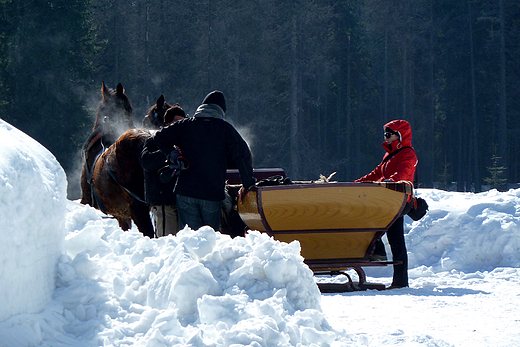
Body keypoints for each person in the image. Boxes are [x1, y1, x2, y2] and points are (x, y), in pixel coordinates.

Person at [152, 90, 255, 231]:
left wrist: (173, 154)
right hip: (212, 193)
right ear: (221, 111)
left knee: (190, 239)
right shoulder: (225, 129)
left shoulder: (185, 125)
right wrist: (247, 183)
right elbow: (243, 155)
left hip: (185, 191)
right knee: (210, 238)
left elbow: (159, 138)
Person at [354, 119, 418, 289]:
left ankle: (378, 250)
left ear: (400, 135)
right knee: (396, 240)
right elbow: (376, 173)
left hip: (398, 201)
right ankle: (400, 281)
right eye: (385, 134)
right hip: (388, 201)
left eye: (389, 135)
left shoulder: (408, 154)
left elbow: (404, 172)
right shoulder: (390, 155)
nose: (386, 138)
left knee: (381, 227)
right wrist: (357, 183)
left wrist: (389, 181)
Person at [140, 105, 187, 237]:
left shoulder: (187, 143)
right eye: (177, 122)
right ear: (167, 124)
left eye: (183, 122)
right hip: (164, 203)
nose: (180, 126)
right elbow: (146, 161)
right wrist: (168, 153)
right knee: (166, 242)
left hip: (183, 204)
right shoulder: (154, 141)